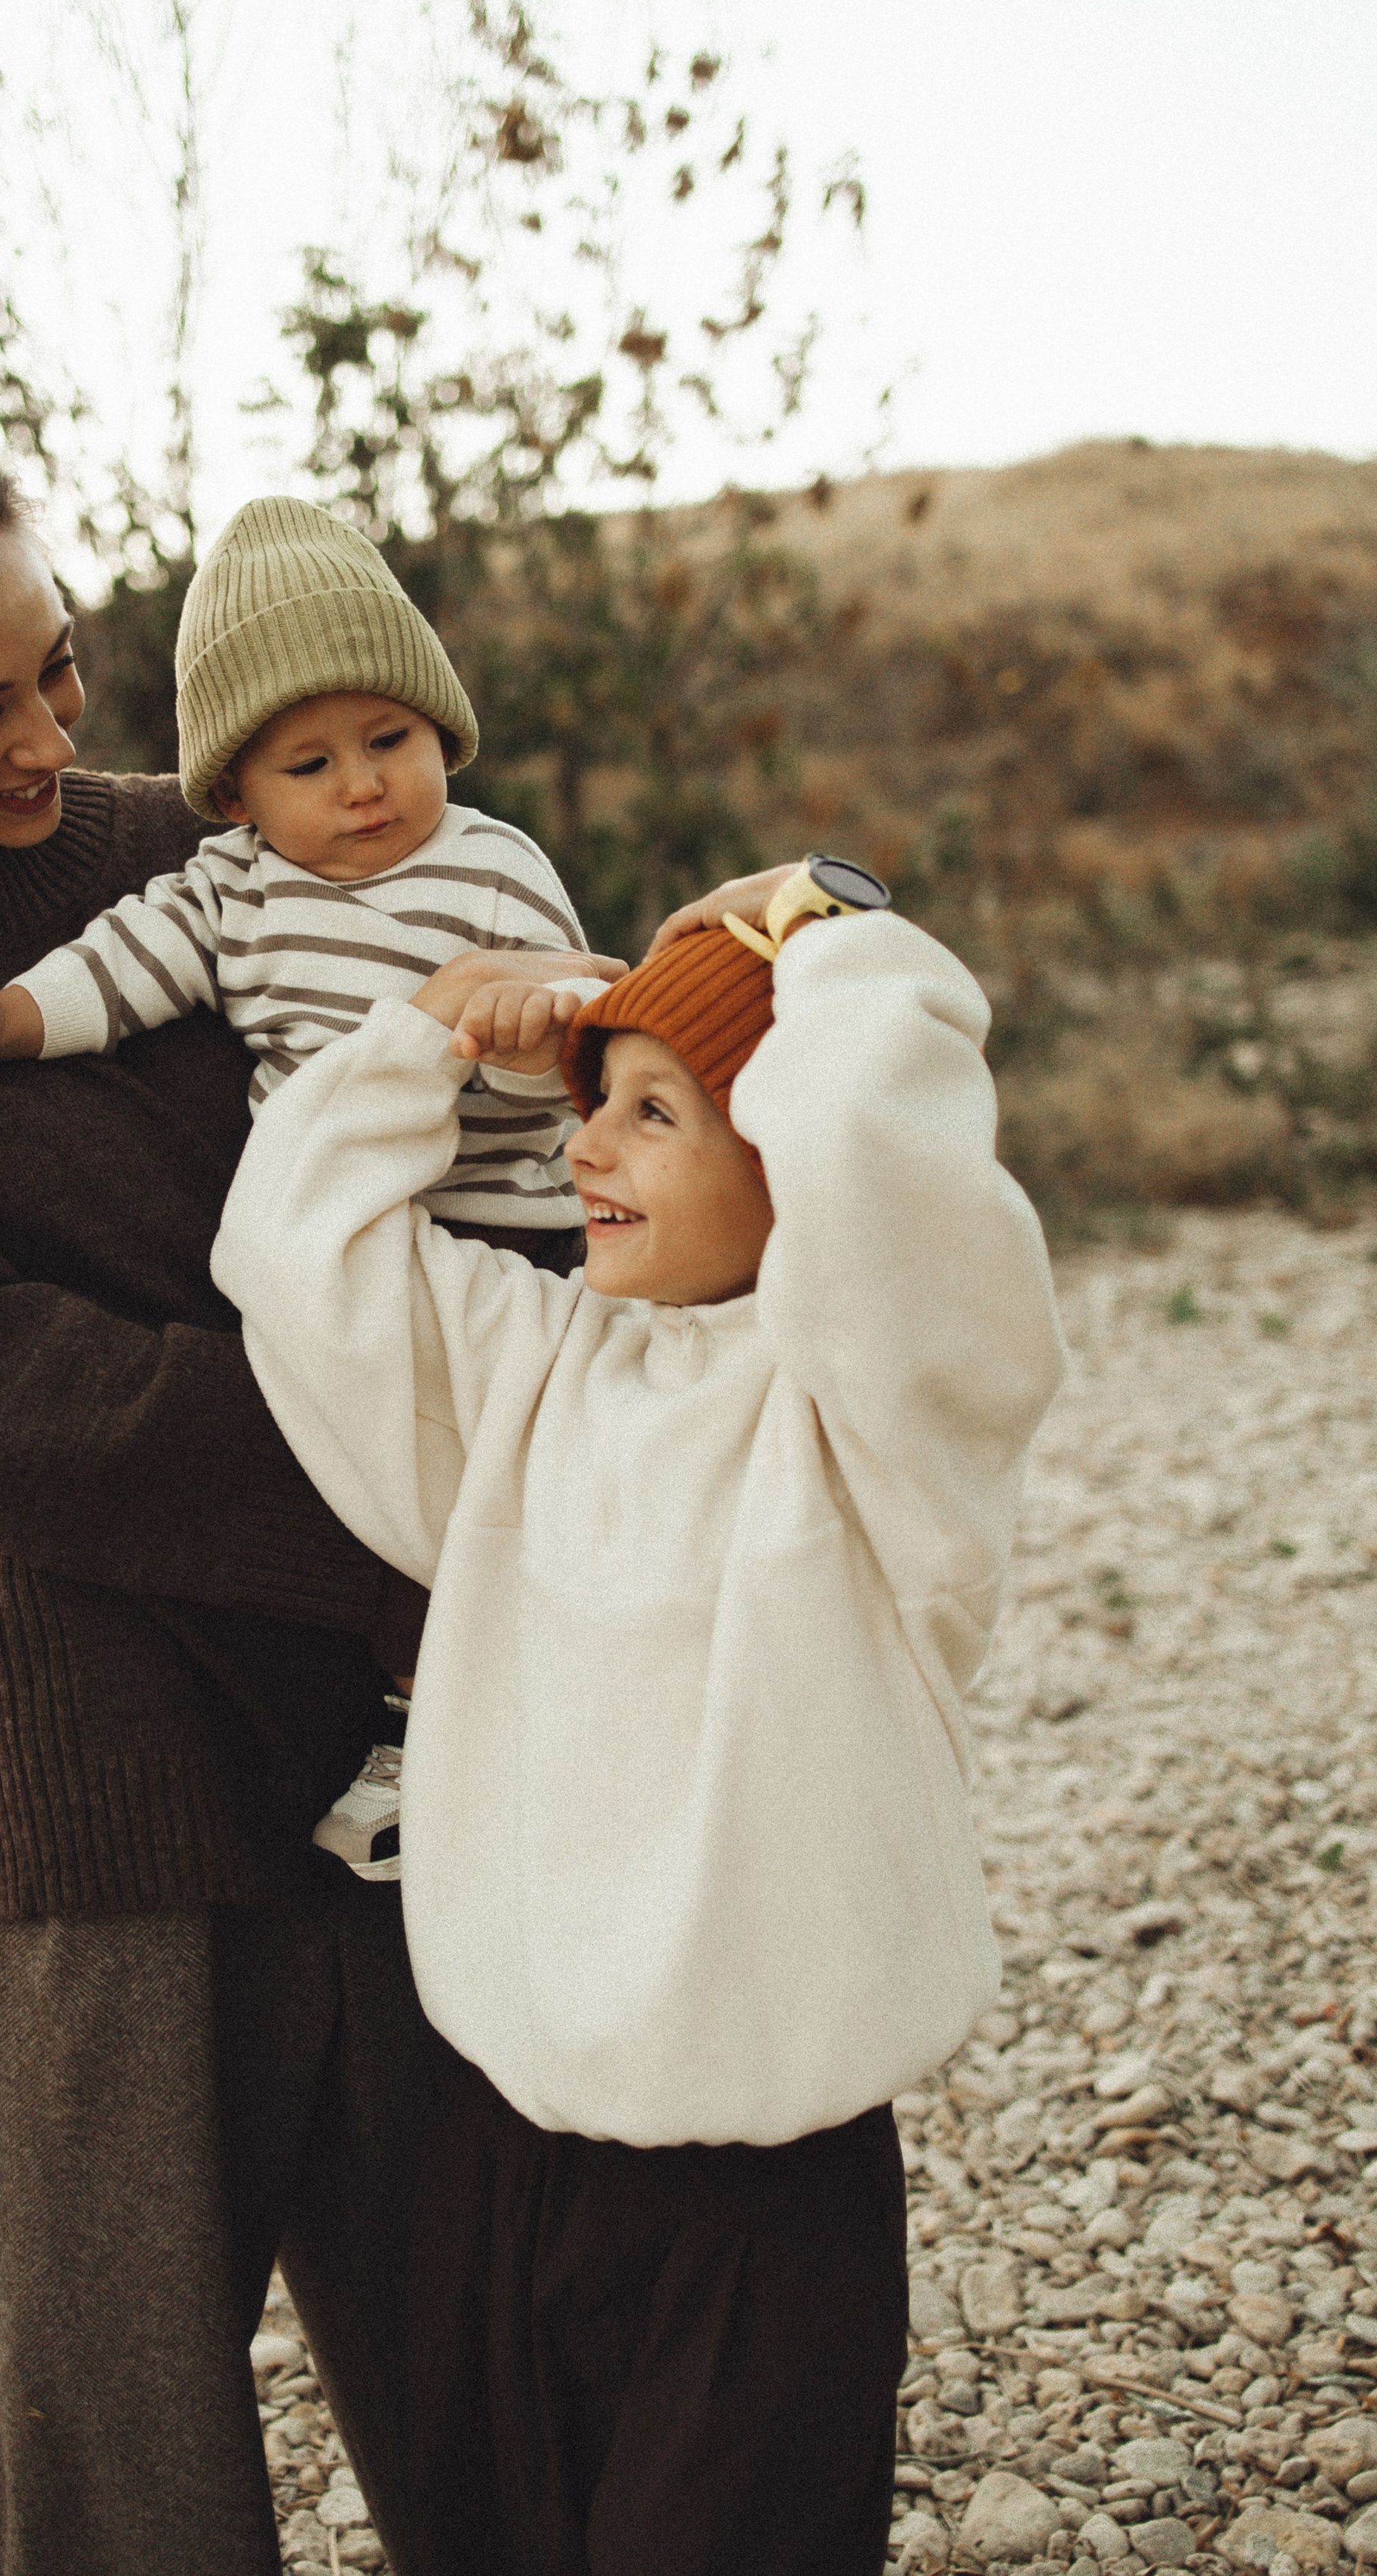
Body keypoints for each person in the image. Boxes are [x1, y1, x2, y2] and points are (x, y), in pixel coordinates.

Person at [0, 406, 618, 2576]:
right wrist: (418, 1474)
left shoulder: (237, 841)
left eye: (66, 669)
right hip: (101, 1791)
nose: (48, 742)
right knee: (114, 2491)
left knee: (515, 2422)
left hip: (426, 1741)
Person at [212, 864, 1067, 2575]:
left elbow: (899, 1186)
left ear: (788, 1158)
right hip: (502, 2147)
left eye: (653, 1114)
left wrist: (821, 930)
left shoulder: (876, 1427)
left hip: (766, 2194)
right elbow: (288, 1249)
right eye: (587, 1108)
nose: (583, 1153)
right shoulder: (534, 1374)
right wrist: (428, 1027)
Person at [0, 491, 596, 1876]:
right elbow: (122, 970)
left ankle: (506, 1731)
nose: (364, 787)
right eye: (308, 764)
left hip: (506, 1238)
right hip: (329, 1251)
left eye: (390, 740)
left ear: (440, 729)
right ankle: (422, 1740)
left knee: (507, 1486)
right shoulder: (231, 889)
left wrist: (524, 1044)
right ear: (238, 794)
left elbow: (571, 1042)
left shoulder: (496, 866)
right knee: (384, 1502)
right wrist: (8, 1017)